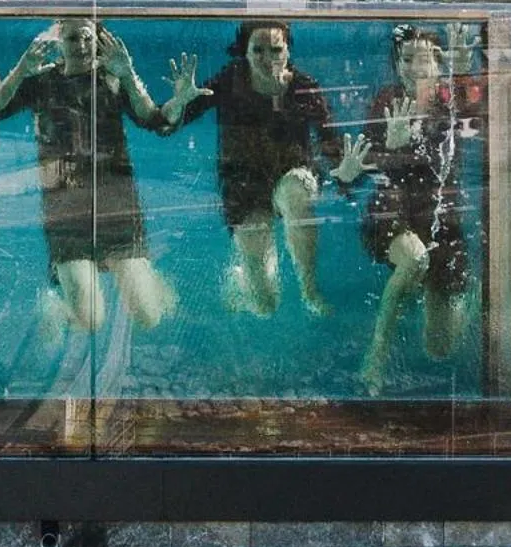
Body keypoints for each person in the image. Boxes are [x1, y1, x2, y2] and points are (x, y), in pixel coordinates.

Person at [162, 20, 373, 317]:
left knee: (294, 192)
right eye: (258, 50)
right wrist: (179, 102)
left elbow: (330, 144)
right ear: (245, 52)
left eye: (276, 50)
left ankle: (309, 288)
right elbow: (168, 123)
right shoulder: (230, 80)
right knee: (264, 306)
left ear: (288, 51)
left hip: (294, 172)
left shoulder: (304, 87)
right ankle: (240, 279)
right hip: (244, 185)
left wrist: (345, 174)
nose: (267, 58)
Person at [0, 16, 184, 332]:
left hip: (117, 205)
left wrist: (129, 74)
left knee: (148, 318)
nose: (82, 46)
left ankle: (150, 283)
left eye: (87, 38)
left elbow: (152, 119)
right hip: (65, 210)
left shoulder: (111, 79)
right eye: (73, 39)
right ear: (59, 42)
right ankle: (56, 308)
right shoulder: (41, 83)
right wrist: (20, 71)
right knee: (90, 322)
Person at [357, 25, 473, 394]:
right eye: (406, 59)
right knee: (414, 260)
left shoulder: (450, 98)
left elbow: (479, 117)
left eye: (423, 59)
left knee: (439, 349)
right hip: (393, 211)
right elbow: (363, 163)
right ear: (397, 64)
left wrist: (465, 72)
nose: (413, 67)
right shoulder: (386, 101)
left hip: (441, 216)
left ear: (439, 65)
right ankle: (377, 354)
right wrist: (391, 148)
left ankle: (462, 294)